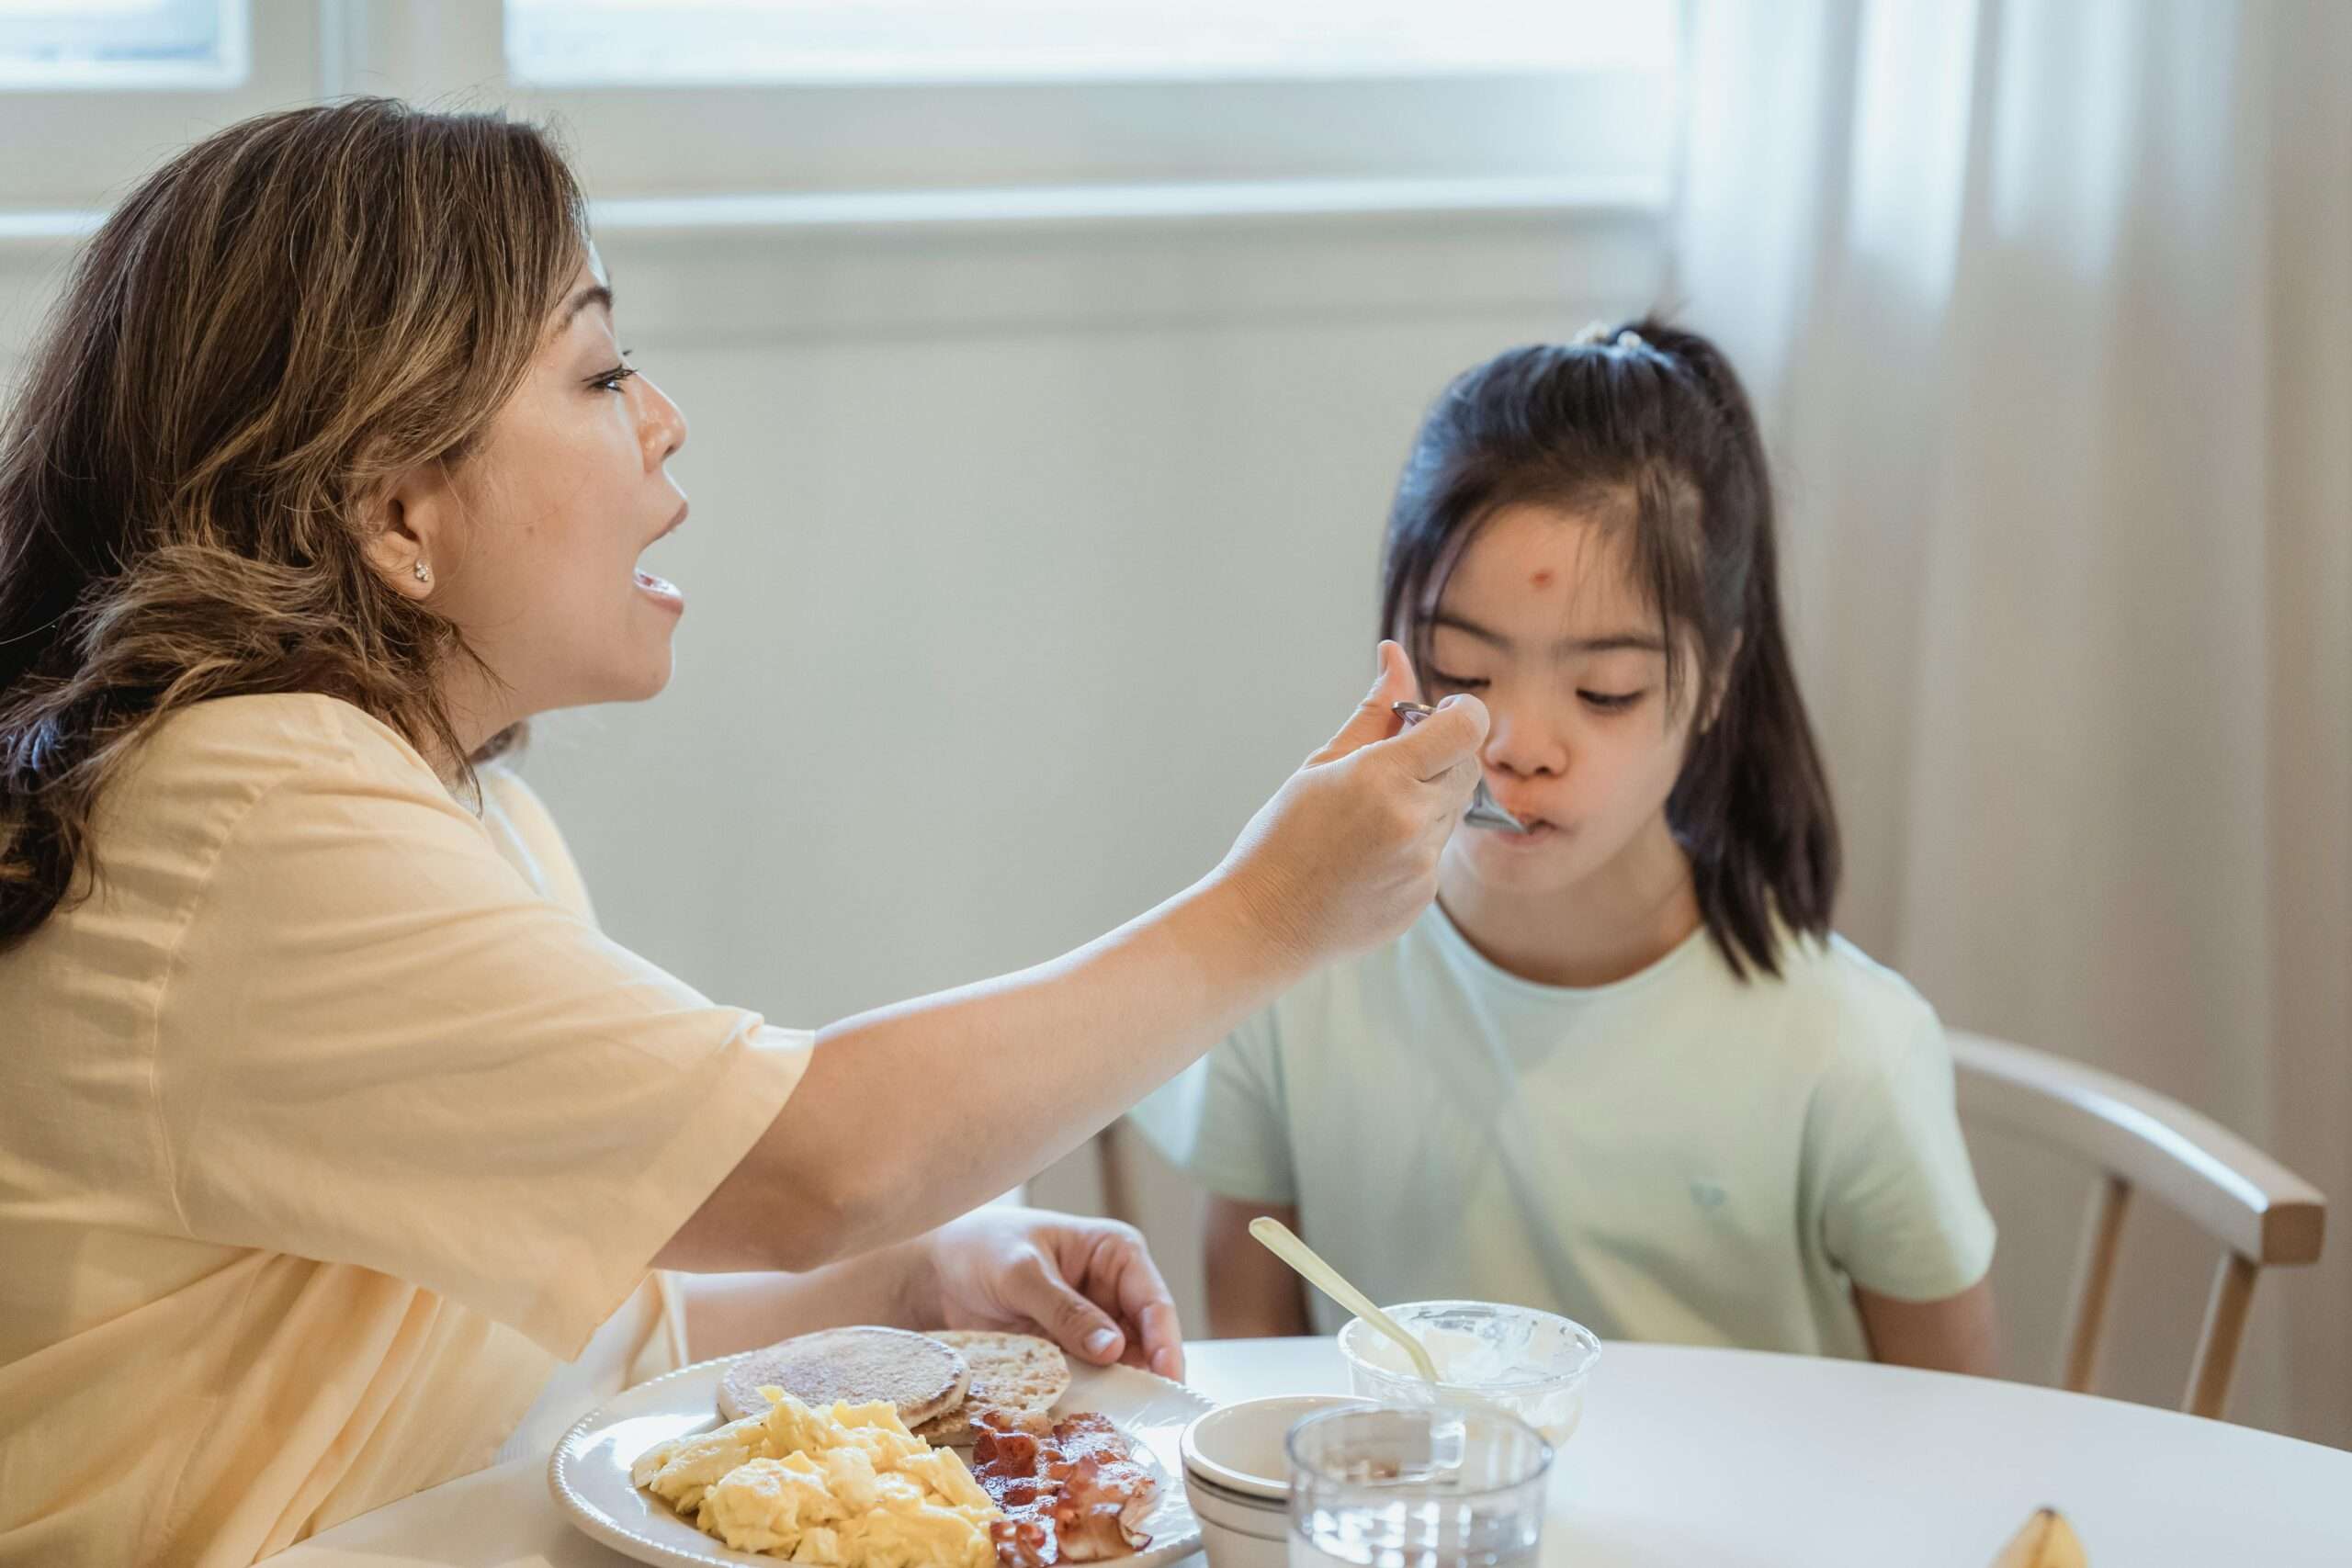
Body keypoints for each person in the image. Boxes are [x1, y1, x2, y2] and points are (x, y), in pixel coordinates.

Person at [0, 100, 1488, 1566]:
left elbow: (553, 1346)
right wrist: (1271, 910)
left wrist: (916, 1277)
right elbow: (816, 1161)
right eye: (599, 371)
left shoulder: (442, 805)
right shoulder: (252, 812)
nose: (664, 418)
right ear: (398, 511)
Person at [1143, 321, 1999, 1372]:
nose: (1516, 748)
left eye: (1605, 692)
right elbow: (1258, 1381)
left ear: (1717, 679)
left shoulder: (1844, 1053)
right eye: (1461, 669)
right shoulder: (1291, 977)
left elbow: (1957, 1435)